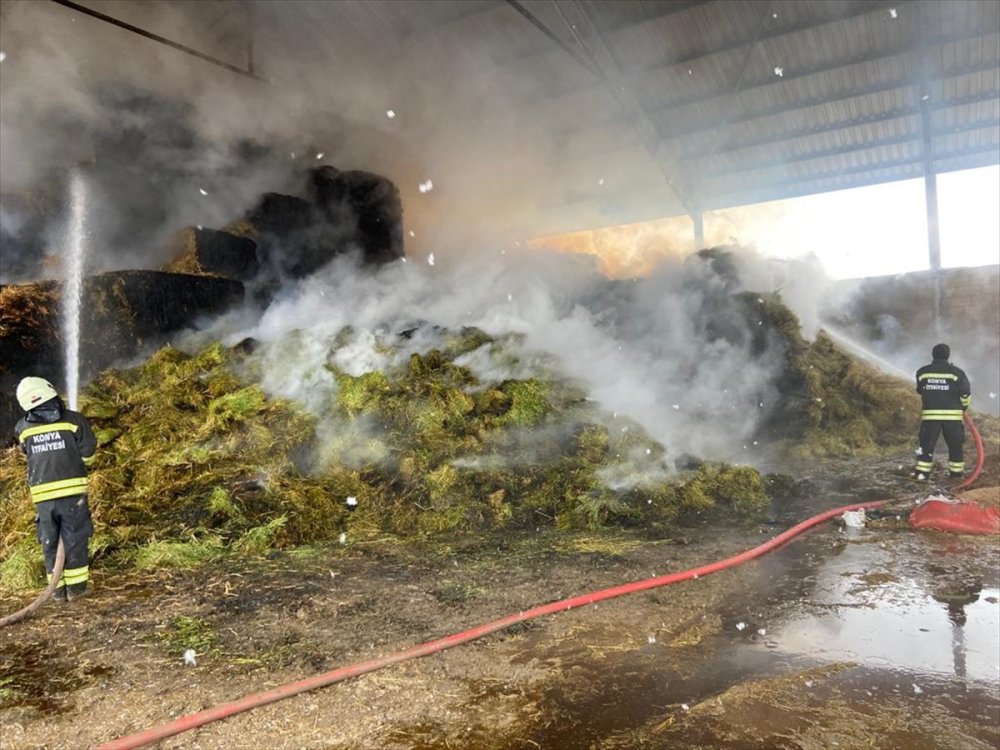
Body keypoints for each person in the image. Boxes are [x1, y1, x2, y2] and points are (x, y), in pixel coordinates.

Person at [13, 377, 97, 601]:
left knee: (50, 541)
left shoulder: (23, 428)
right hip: (73, 494)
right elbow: (88, 452)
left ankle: (57, 592)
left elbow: (25, 451)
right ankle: (77, 590)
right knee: (75, 538)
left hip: (43, 497)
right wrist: (80, 463)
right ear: (52, 392)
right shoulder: (75, 419)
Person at [913, 343, 971, 480]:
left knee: (926, 446)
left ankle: (922, 475)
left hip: (930, 417)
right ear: (948, 355)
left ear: (933, 354)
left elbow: (920, 390)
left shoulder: (922, 372)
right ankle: (956, 475)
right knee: (955, 446)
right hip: (953, 418)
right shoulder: (957, 373)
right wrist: (963, 407)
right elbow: (965, 394)